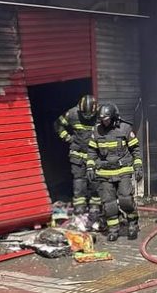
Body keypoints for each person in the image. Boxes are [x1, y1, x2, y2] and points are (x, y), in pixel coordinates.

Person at [87, 103, 143, 241]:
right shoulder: (96, 131)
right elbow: (92, 151)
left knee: (125, 200)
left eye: (106, 119)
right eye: (101, 119)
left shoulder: (125, 128)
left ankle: (132, 224)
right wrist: (90, 167)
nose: (104, 121)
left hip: (123, 170)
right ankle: (113, 229)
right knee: (109, 204)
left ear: (113, 117)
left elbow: (135, 149)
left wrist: (138, 166)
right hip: (104, 173)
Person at [55, 95, 102, 224]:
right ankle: (80, 209)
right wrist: (68, 138)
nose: (87, 117)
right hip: (78, 155)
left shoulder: (101, 115)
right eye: (84, 114)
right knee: (79, 182)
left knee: (95, 182)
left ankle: (95, 208)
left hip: (95, 156)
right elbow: (58, 125)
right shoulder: (72, 114)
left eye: (90, 114)